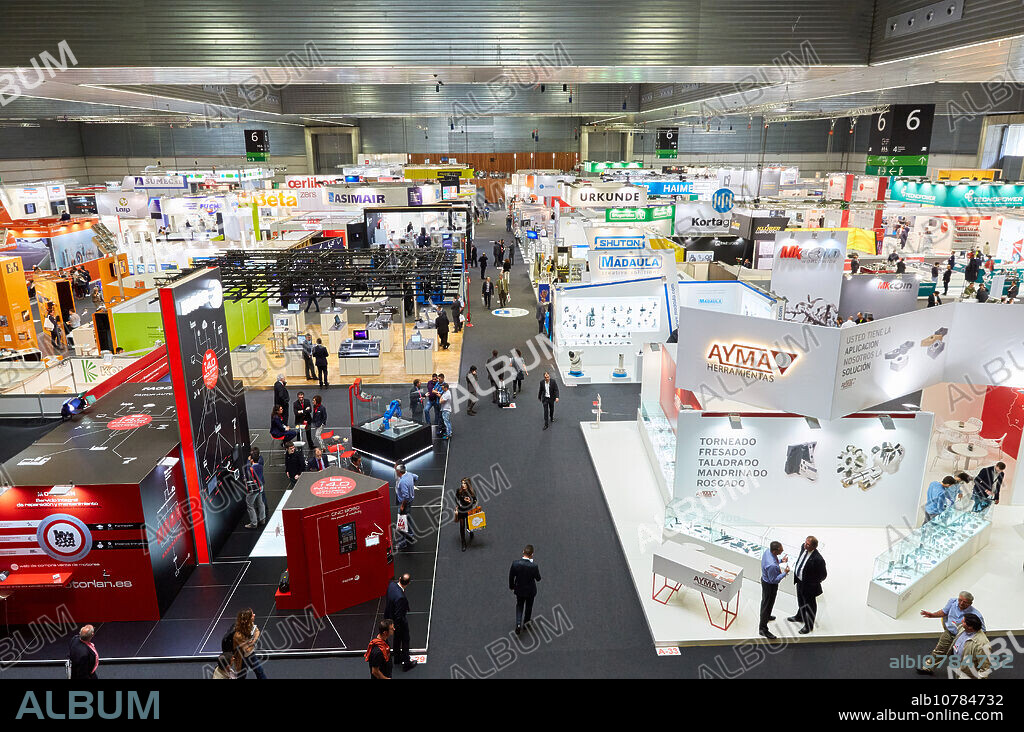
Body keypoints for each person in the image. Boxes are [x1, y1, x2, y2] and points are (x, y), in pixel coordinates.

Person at [918, 591, 985, 675]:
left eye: (965, 602)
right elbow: (944, 612)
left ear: (970, 603)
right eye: (960, 600)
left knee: (962, 656)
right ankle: (927, 668)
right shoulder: (952, 602)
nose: (961, 603)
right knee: (939, 650)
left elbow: (982, 631)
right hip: (949, 632)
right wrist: (932, 615)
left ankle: (965, 674)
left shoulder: (976, 615)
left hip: (963, 637)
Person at [787, 535, 826, 634]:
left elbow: (823, 575)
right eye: (805, 543)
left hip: (809, 586)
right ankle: (800, 616)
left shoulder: (818, 559)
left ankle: (809, 626)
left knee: (810, 605)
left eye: (808, 544)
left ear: (814, 547)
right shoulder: (802, 547)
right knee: (800, 600)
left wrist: (812, 583)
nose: (805, 545)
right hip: (800, 581)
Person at [385, 573, 417, 671]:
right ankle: (406, 663)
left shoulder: (391, 585)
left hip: (389, 618)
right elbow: (399, 615)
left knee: (397, 639)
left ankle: (397, 658)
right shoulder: (400, 598)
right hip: (398, 622)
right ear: (408, 584)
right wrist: (398, 626)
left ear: (399, 579)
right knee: (405, 640)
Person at [758, 541, 790, 639]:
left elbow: (775, 561)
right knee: (767, 604)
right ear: (775, 551)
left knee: (767, 603)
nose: (783, 550)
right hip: (769, 585)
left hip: (766, 581)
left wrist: (781, 561)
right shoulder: (771, 565)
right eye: (781, 550)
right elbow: (774, 580)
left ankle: (766, 616)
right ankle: (763, 628)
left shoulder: (768, 551)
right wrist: (785, 573)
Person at [509, 544, 541, 635]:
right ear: (532, 554)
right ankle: (526, 622)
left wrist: (512, 586)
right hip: (530, 591)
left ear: (523, 552)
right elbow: (538, 578)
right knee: (529, 606)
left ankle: (518, 624)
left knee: (519, 605)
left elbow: (511, 576)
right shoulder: (534, 566)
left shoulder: (515, 564)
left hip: (519, 589)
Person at [950, 613, 993, 679]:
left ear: (970, 627)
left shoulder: (982, 644)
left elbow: (984, 669)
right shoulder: (963, 628)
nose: (961, 622)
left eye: (964, 621)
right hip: (959, 667)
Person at [232, 608, 267, 679]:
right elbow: (247, 649)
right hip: (241, 658)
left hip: (250, 654)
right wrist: (252, 644)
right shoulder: (238, 635)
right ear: (248, 619)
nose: (254, 615)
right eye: (252, 615)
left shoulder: (249, 624)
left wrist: (253, 641)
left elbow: (257, 631)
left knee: (259, 671)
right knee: (242, 676)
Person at [395, 464, 417, 550]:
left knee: (402, 523)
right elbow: (416, 477)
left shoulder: (403, 482)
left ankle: (403, 542)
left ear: (399, 472)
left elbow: (406, 496)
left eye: (396, 470)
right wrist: (411, 485)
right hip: (410, 502)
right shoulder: (410, 475)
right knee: (408, 519)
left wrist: (402, 506)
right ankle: (411, 535)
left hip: (404, 504)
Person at [243, 449, 266, 529]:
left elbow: (247, 469)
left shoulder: (251, 468)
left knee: (250, 505)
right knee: (260, 502)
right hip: (260, 487)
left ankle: (254, 523)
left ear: (252, 460)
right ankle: (262, 519)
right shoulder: (260, 465)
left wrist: (248, 461)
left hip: (253, 489)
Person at [454, 477, 477, 551]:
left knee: (469, 525)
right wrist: (458, 505)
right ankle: (463, 542)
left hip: (469, 510)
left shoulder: (472, 492)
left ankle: (471, 532)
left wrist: (469, 502)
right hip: (461, 510)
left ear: (468, 484)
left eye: (464, 483)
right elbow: (456, 498)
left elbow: (475, 501)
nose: (463, 485)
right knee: (462, 526)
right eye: (462, 483)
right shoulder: (459, 491)